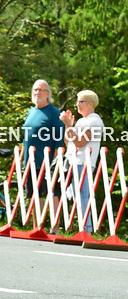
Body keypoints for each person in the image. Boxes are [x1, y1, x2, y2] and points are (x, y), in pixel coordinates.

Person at [60, 90, 104, 225]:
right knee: (76, 196)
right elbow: (68, 143)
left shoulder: (95, 121)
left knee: (82, 196)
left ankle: (87, 228)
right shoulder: (81, 121)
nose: (77, 104)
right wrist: (68, 126)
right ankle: (84, 227)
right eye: (77, 101)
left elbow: (80, 142)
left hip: (84, 163)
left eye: (81, 101)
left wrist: (69, 126)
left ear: (91, 104)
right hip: (74, 161)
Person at [21, 80, 65, 210]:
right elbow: (26, 138)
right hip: (30, 161)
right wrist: (21, 158)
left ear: (47, 93)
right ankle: (37, 222)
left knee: (52, 193)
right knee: (33, 195)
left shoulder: (53, 112)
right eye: (35, 90)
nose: (37, 93)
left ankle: (55, 223)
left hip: (47, 162)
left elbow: (59, 139)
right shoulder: (31, 112)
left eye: (41, 90)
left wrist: (55, 162)